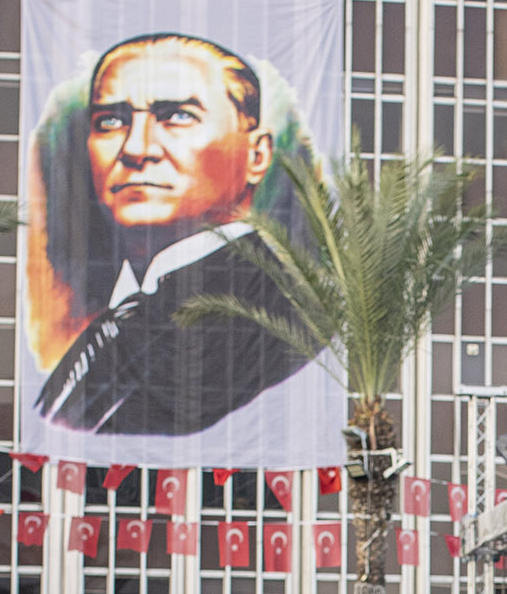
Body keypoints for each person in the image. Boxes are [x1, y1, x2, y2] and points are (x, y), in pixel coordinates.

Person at [35, 34, 317, 439]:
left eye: (177, 116)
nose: (136, 148)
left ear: (256, 156)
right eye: (111, 122)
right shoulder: (120, 309)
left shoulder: (284, 306)